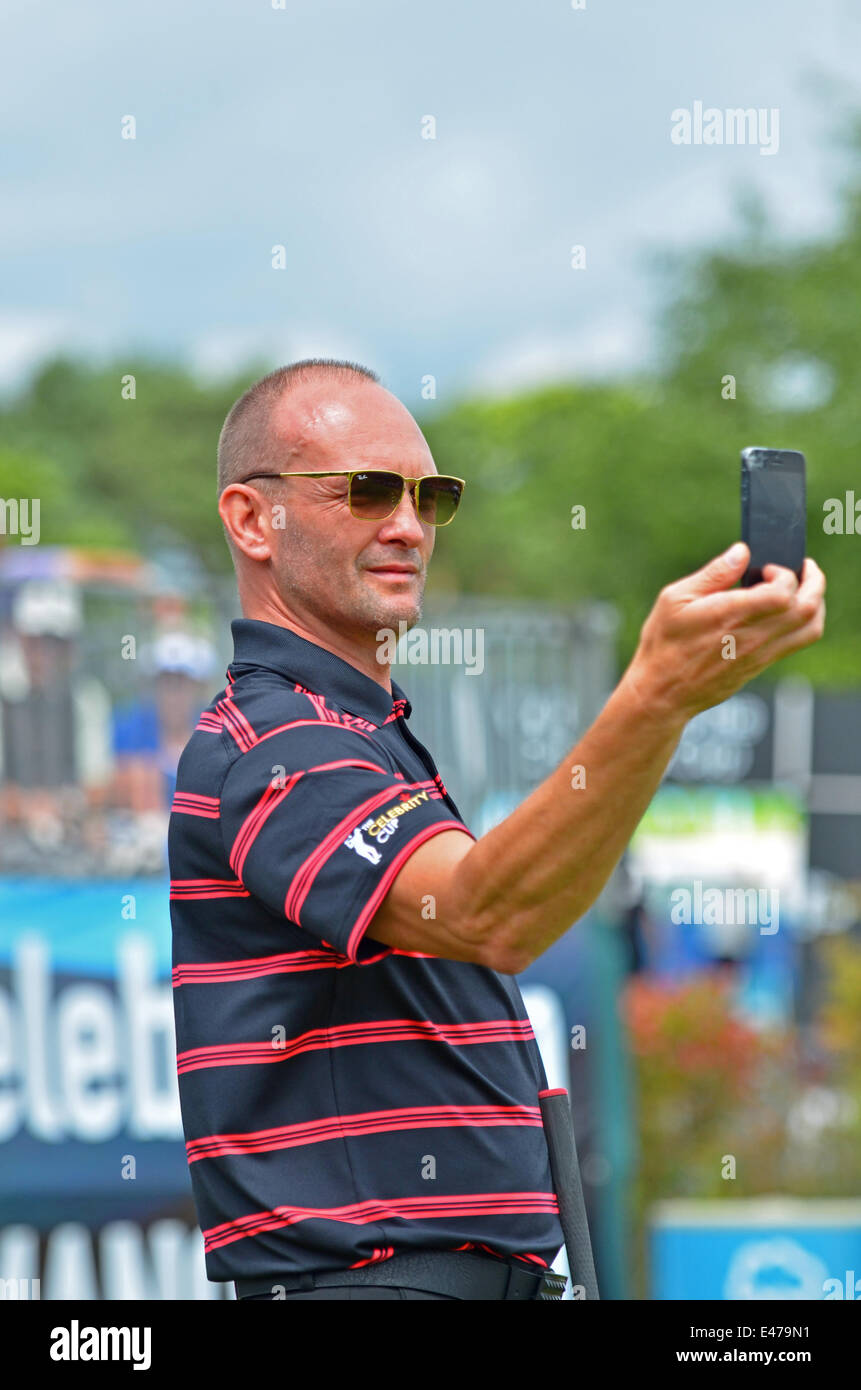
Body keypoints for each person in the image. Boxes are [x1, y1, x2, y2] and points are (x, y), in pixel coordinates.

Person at [168, 358, 826, 1301]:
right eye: (364, 490)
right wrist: (656, 695)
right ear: (249, 519)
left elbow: (518, 902)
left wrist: (665, 707)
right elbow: (489, 915)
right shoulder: (273, 740)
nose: (406, 524)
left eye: (428, 495)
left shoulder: (356, 732)